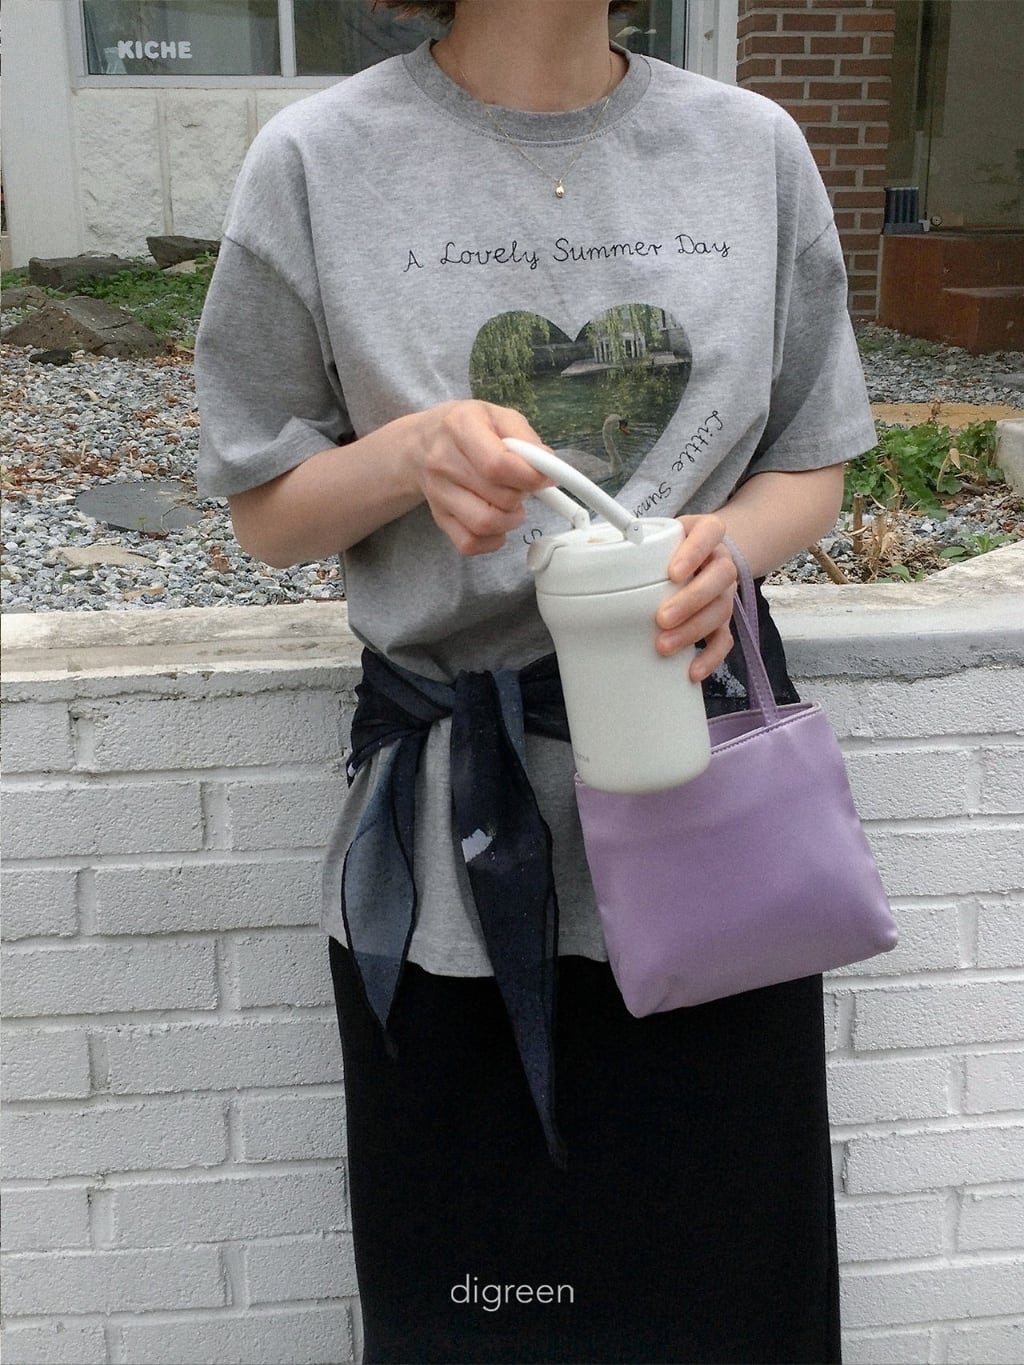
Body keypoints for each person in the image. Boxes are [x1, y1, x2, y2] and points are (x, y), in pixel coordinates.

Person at [195, 2, 877, 1360]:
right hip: (454, 847)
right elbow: (265, 508)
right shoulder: (319, 158)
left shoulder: (750, 146)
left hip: (711, 829)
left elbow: (814, 462)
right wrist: (412, 455)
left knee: (730, 1297)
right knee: (481, 1308)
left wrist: (722, 550)